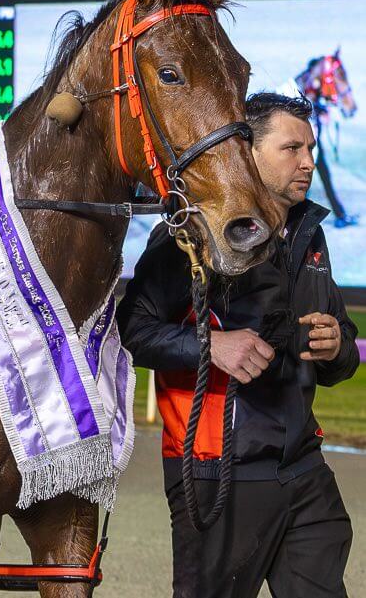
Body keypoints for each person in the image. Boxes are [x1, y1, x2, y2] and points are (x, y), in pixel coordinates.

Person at [117, 93, 358, 598]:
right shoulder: (193, 233)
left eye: (310, 148)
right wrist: (214, 346)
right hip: (217, 476)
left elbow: (340, 357)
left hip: (304, 469)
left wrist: (339, 346)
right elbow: (132, 331)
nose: (309, 162)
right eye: (291, 148)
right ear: (247, 151)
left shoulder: (311, 235)